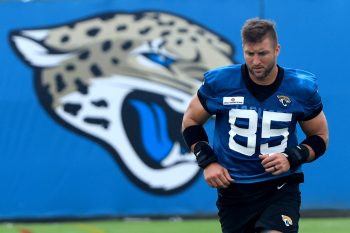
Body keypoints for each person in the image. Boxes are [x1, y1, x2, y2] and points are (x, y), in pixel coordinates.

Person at [181, 18, 328, 233]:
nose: (256, 61)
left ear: (277, 50)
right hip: (234, 190)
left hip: (280, 187)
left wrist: (291, 157)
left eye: (263, 53)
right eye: (250, 54)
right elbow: (191, 120)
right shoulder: (221, 83)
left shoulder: (300, 88)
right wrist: (207, 161)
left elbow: (320, 137)